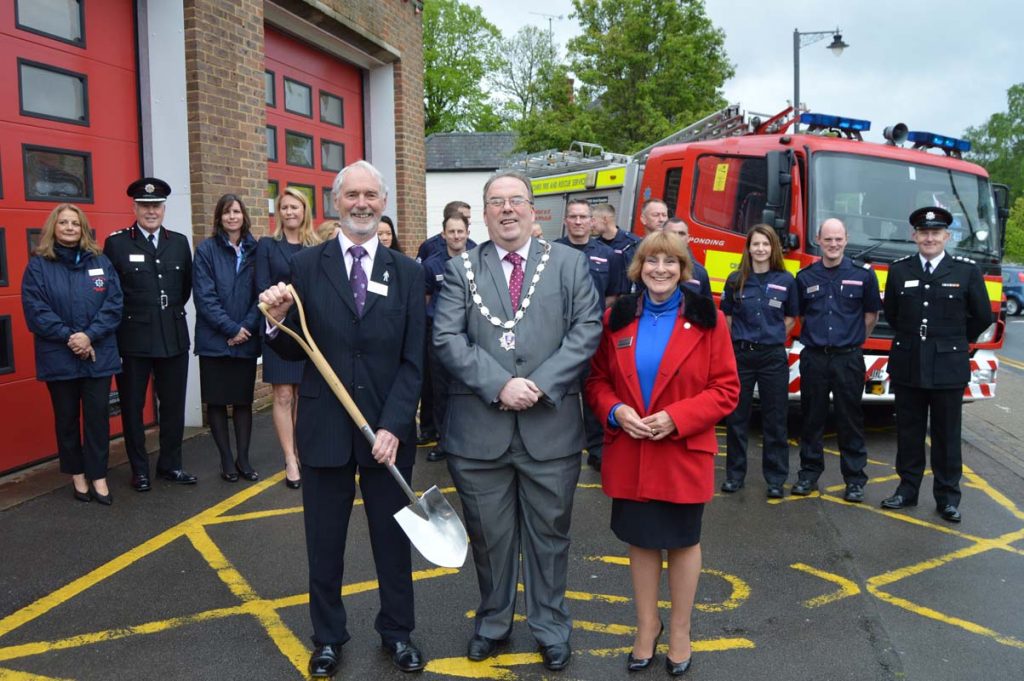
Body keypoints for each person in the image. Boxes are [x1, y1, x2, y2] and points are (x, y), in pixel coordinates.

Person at [259, 160, 427, 677]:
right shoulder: (307, 267)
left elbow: (414, 361)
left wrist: (394, 427)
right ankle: (328, 637)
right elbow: (287, 343)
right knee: (324, 543)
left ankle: (397, 633)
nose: (361, 203)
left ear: (383, 203)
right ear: (335, 203)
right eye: (351, 195)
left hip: (387, 434)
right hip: (325, 429)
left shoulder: (408, 273)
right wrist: (273, 320)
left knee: (393, 542)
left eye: (370, 195)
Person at [433, 170, 602, 672]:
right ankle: (493, 622)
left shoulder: (570, 265)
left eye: (516, 201)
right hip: (478, 434)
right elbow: (446, 337)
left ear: (534, 211)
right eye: (496, 202)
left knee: (550, 538)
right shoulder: (460, 269)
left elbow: (586, 328)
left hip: (550, 430)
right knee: (489, 537)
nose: (507, 210)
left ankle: (550, 627)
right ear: (482, 214)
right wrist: (499, 384)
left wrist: (540, 384)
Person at [586, 231, 739, 675]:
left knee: (683, 541)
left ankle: (680, 630)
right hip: (632, 449)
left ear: (683, 269)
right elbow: (596, 381)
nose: (660, 270)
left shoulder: (710, 319)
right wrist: (614, 410)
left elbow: (726, 389)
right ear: (638, 268)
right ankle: (645, 626)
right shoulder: (616, 318)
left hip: (681, 449)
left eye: (670, 262)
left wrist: (677, 417)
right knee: (642, 540)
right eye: (651, 261)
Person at [881, 206, 992, 523]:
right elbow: (892, 312)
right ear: (915, 236)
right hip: (909, 361)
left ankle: (947, 498)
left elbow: (982, 315)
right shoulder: (900, 270)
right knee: (909, 432)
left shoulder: (966, 271)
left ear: (946, 236)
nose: (929, 238)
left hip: (948, 365)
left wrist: (955, 341)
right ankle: (907, 490)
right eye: (924, 233)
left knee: (946, 435)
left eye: (935, 233)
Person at [22, 204, 123, 505]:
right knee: (66, 419)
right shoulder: (39, 266)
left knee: (97, 419)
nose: (69, 228)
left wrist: (89, 336)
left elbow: (114, 304)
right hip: (59, 355)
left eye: (75, 224)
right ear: (53, 227)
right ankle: (77, 473)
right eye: (63, 223)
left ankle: (98, 475)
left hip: (98, 354)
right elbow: (36, 311)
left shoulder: (101, 262)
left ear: (83, 229)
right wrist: (71, 337)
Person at [104, 177, 195, 491]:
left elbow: (183, 291)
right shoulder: (117, 243)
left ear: (164, 208)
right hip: (133, 340)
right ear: (134, 207)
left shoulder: (180, 242)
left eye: (156, 205)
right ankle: (139, 470)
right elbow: (111, 294)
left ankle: (171, 465)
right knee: (132, 407)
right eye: (144, 206)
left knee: (173, 406)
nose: (151, 211)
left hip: (172, 336)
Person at [793, 219, 881, 502]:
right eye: (828, 239)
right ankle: (808, 474)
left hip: (848, 359)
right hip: (815, 358)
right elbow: (802, 316)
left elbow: (871, 317)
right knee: (811, 419)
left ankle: (854, 480)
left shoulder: (864, 276)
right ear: (818, 240)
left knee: (850, 420)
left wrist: (851, 340)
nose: (833, 244)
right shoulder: (805, 277)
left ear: (846, 239)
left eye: (838, 239)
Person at [719, 225, 798, 498]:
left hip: (772, 356)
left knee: (775, 420)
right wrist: (742, 341)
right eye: (756, 244)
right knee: (736, 419)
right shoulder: (735, 279)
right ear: (748, 248)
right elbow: (727, 317)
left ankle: (775, 479)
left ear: (773, 247)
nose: (760, 249)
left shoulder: (787, 280)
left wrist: (771, 337)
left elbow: (790, 319)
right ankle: (734, 476)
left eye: (765, 244)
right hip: (741, 355)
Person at [193, 194, 261, 483]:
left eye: (236, 211)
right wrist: (230, 329)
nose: (232, 217)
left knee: (243, 402)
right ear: (218, 218)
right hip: (214, 340)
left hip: (246, 336)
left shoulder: (256, 250)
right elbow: (204, 297)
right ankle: (225, 460)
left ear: (243, 216)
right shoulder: (206, 250)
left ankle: (243, 459)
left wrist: (245, 327)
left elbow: (262, 293)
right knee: (218, 403)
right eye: (226, 212)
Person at [256, 188, 320, 489]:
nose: (290, 212)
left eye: (295, 207)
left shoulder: (317, 246)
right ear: (278, 212)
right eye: (284, 207)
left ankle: (303, 450)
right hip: (278, 327)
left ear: (304, 210)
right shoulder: (268, 245)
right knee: (282, 395)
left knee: (303, 396)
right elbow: (260, 286)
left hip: (308, 330)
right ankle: (290, 458)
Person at [555, 198, 624, 471]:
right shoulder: (551, 251)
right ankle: (557, 447)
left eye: (584, 217)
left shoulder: (608, 255)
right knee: (559, 392)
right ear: (566, 221)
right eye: (573, 216)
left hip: (593, 337)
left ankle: (596, 449)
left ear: (592, 221)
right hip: (558, 337)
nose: (579, 221)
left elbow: (613, 295)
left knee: (594, 393)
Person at [421, 211, 471, 463]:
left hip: (471, 336)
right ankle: (444, 440)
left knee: (469, 388)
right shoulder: (432, 264)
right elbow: (426, 300)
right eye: (451, 231)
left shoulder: (479, 260)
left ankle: (469, 438)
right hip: (439, 337)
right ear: (443, 234)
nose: (456, 236)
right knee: (440, 390)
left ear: (467, 232)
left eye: (460, 231)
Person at [592, 203, 640, 294]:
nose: (591, 224)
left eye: (594, 220)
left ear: (605, 219)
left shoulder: (632, 243)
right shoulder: (594, 245)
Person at [664, 217, 712, 298]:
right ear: (662, 236)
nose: (677, 237)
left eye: (681, 234)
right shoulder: (649, 267)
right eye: (672, 233)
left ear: (688, 239)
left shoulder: (700, 272)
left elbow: (706, 308)